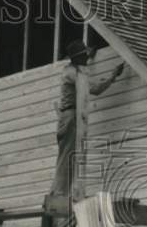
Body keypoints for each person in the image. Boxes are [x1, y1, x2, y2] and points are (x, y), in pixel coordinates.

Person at [50, 40, 126, 199]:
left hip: (71, 117)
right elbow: (95, 88)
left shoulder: (73, 68)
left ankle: (62, 194)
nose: (86, 58)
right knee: (67, 158)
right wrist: (113, 76)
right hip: (71, 117)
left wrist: (89, 55)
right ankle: (58, 195)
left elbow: (82, 64)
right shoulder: (74, 74)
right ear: (77, 58)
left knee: (70, 157)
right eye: (83, 56)